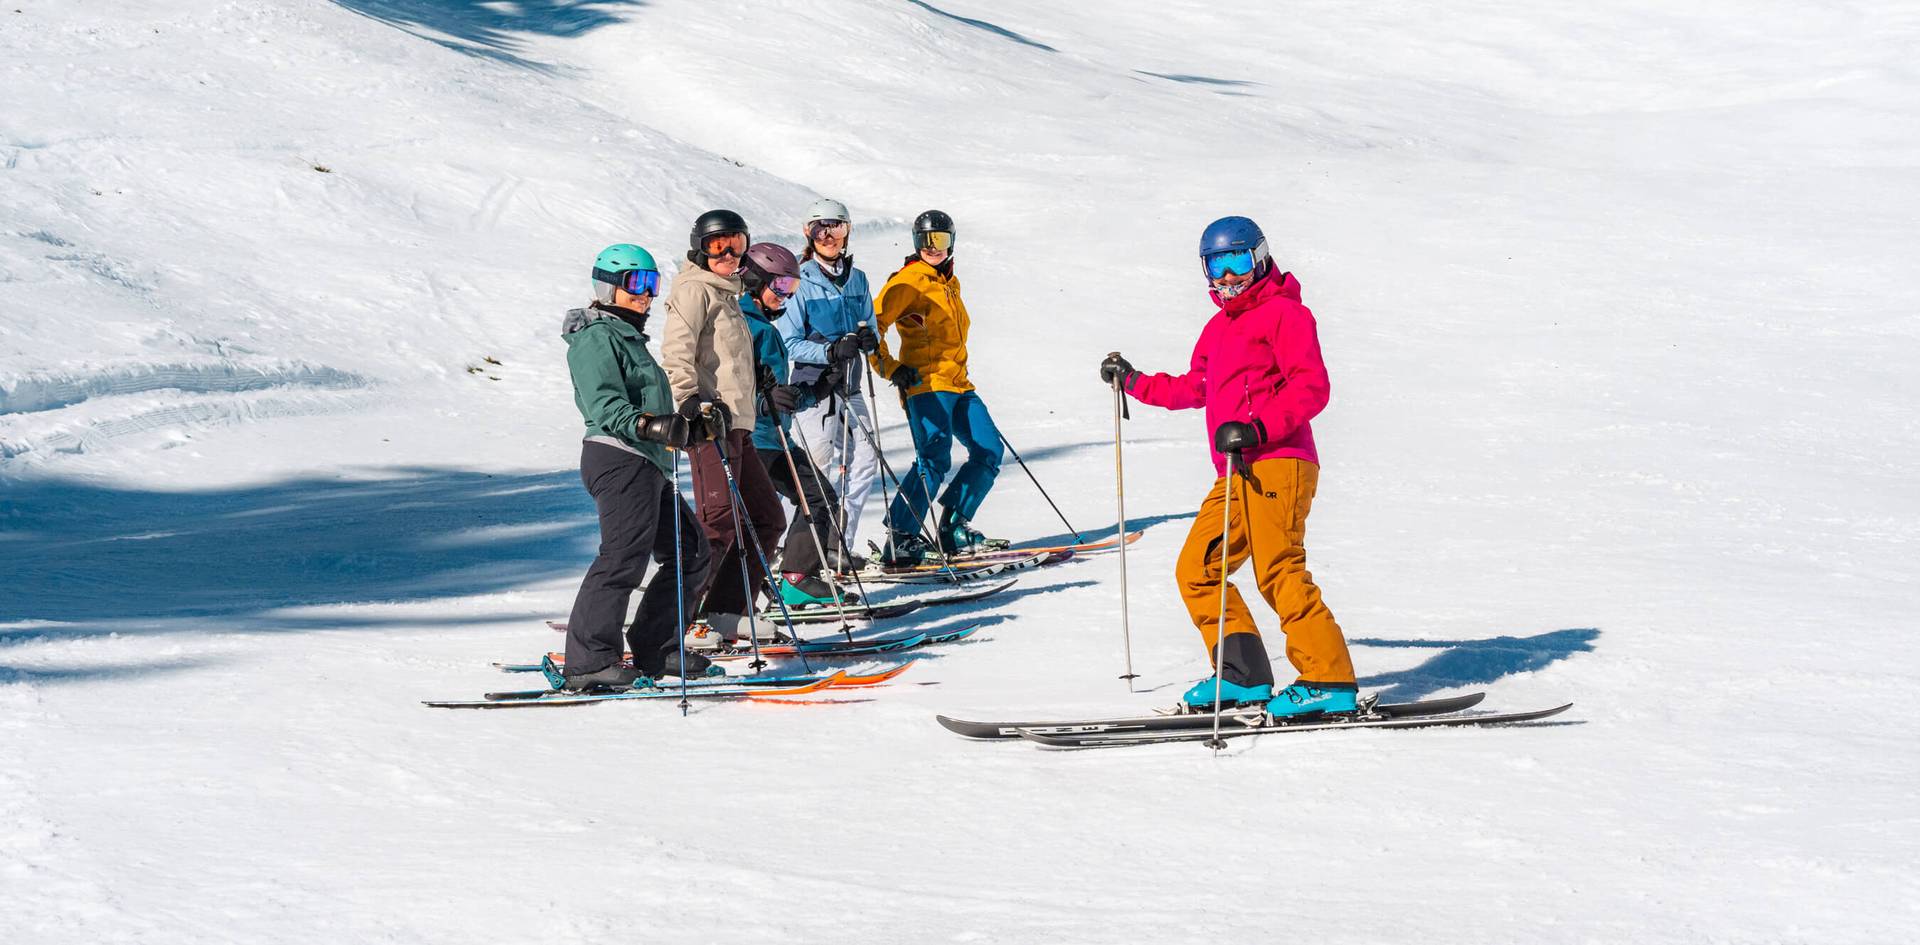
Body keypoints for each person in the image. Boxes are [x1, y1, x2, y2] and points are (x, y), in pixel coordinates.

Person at [1098, 216, 1360, 719]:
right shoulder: (1218, 328)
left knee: (1278, 569)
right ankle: (1242, 677)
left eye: (1236, 261)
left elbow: (1311, 387)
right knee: (1198, 568)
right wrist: (1132, 381)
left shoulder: (1287, 315)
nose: (1227, 277)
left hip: (1280, 460)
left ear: (1259, 257)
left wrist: (1259, 428)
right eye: (1215, 265)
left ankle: (1328, 679)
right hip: (1235, 471)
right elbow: (1194, 388)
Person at [558, 243, 714, 690]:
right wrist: (650, 425)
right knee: (623, 557)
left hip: (647, 463)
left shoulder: (627, 337)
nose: (645, 294)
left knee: (690, 553)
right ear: (609, 287)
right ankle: (589, 662)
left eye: (652, 284)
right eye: (636, 284)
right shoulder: (595, 337)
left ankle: (656, 647)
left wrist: (690, 428)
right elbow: (605, 403)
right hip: (617, 457)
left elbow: (655, 412)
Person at [662, 210, 788, 647]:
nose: (729, 254)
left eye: (737, 243)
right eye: (718, 245)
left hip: (737, 423)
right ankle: (680, 619)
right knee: (716, 522)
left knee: (767, 517)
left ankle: (727, 610)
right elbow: (677, 352)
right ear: (701, 247)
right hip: (708, 426)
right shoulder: (694, 289)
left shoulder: (728, 293)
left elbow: (725, 359)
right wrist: (688, 400)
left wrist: (757, 376)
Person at [871, 209, 1009, 565]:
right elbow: (872, 326)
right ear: (916, 243)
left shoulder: (949, 281)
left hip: (959, 384)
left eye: (941, 240)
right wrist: (891, 367)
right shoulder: (908, 281)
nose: (934, 248)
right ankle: (900, 537)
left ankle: (952, 526)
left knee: (989, 450)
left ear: (952, 242)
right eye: (926, 241)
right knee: (933, 460)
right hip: (926, 385)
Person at [737, 241, 859, 607]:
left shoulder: (763, 327)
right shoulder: (745, 327)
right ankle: (794, 579)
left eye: (792, 288)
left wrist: (819, 387)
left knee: (808, 501)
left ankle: (785, 578)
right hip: (755, 439)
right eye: (781, 287)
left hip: (774, 437)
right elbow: (735, 386)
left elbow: (778, 396)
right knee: (814, 500)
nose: (786, 297)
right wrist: (763, 403)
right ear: (756, 282)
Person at [778, 198, 881, 566]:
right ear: (808, 232)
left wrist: (871, 340)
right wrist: (830, 351)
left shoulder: (859, 279)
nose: (828, 235)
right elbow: (790, 342)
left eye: (836, 227)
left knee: (867, 460)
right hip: (814, 390)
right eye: (820, 228)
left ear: (848, 231)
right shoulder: (800, 280)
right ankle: (804, 554)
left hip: (850, 388)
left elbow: (871, 325)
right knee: (818, 470)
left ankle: (838, 544)